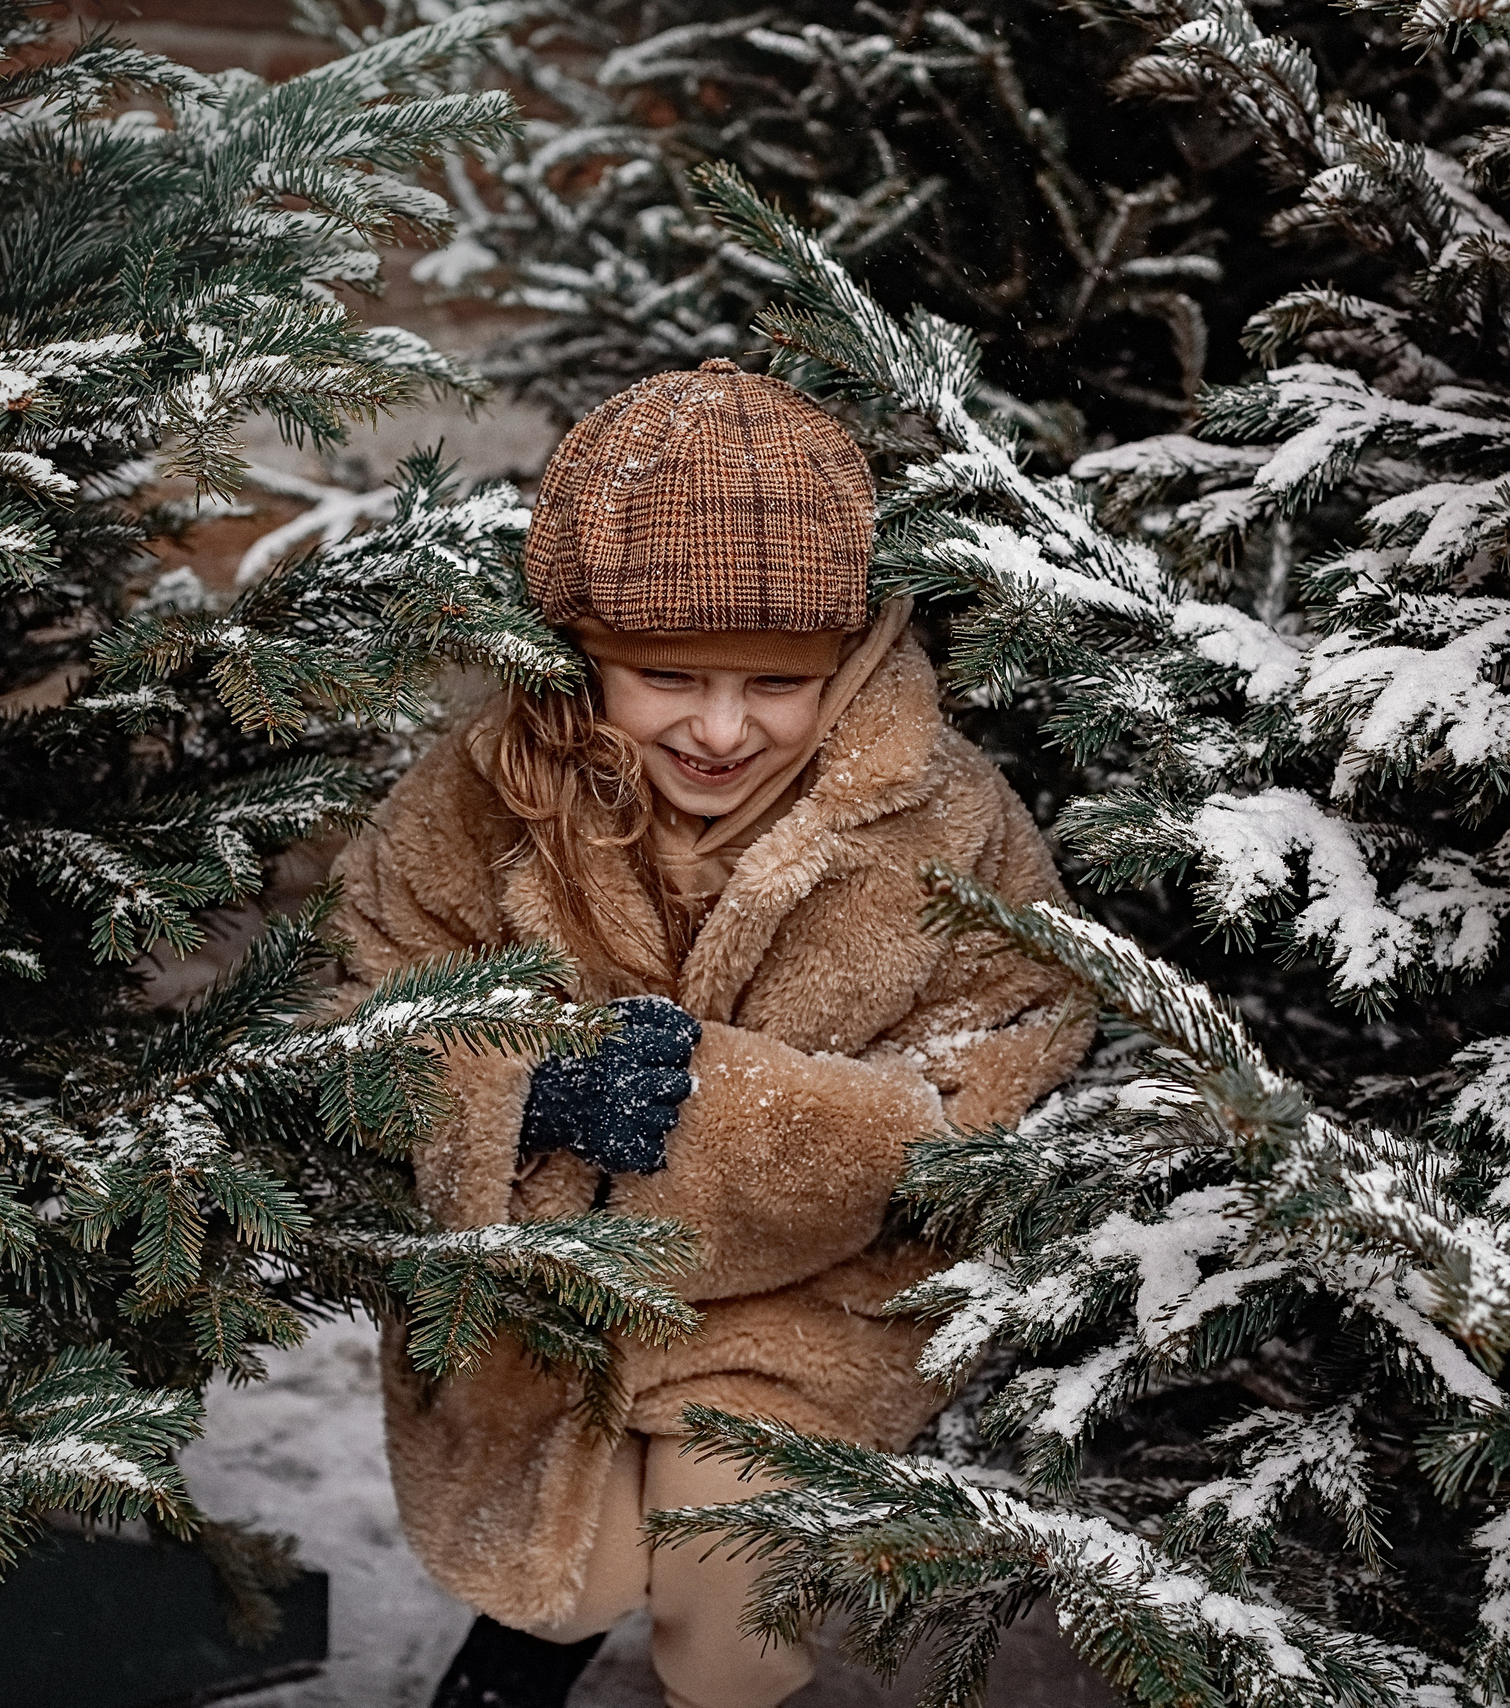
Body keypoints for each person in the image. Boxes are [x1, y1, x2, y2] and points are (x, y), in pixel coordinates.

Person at [331, 359, 1090, 1708]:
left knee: (725, 1590)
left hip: (808, 1291)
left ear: (847, 661)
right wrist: (524, 1086)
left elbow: (1020, 1019)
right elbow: (358, 1001)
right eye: (668, 675)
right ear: (579, 657)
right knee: (575, 1565)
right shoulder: (478, 796)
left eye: (777, 683)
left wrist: (764, 1127)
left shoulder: (939, 813)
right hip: (556, 1277)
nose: (724, 728)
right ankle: (521, 1655)